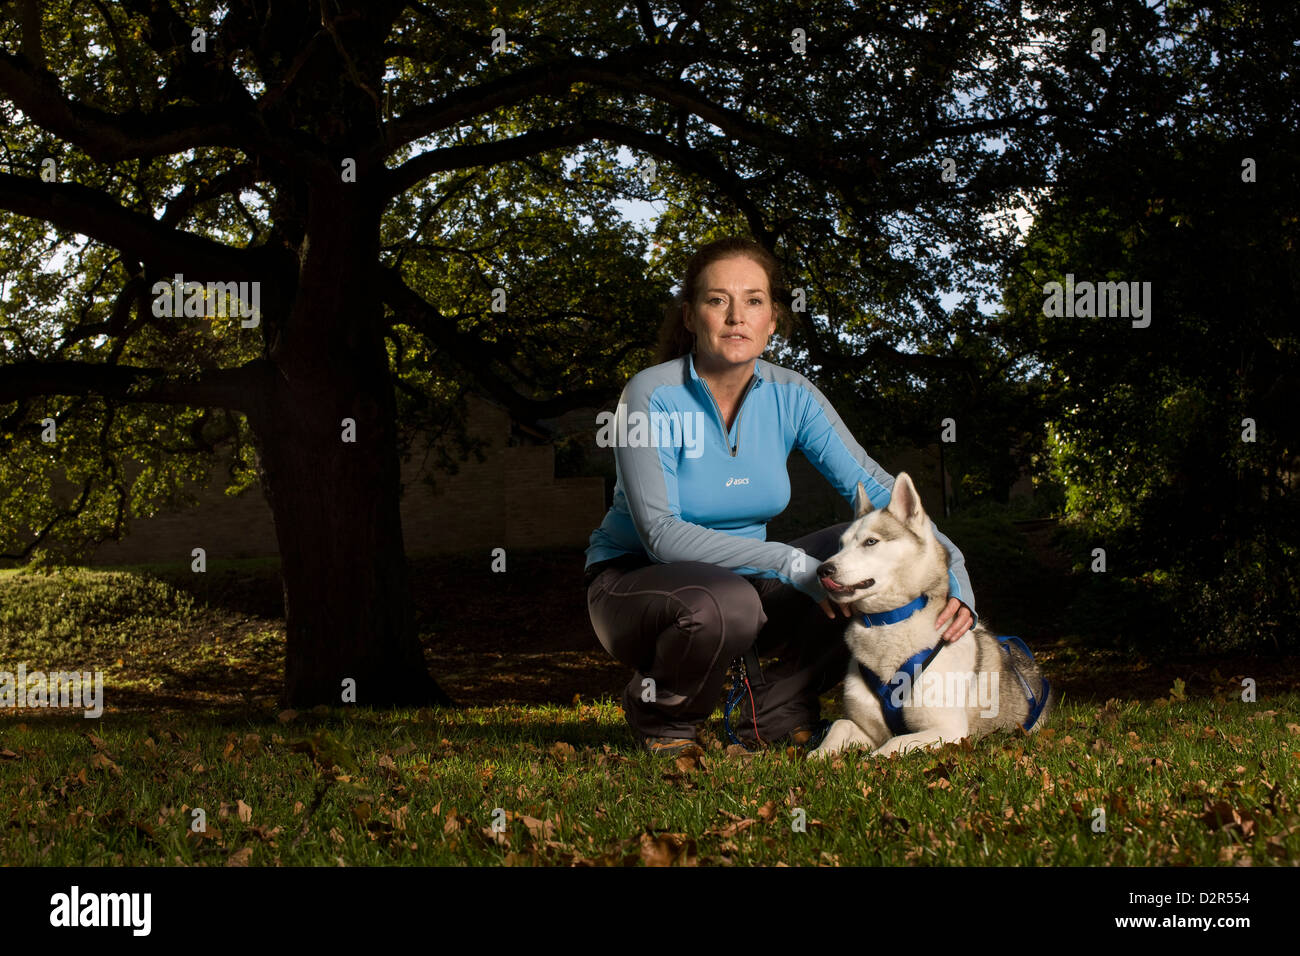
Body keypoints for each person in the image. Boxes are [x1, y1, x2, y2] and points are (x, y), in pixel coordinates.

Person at [583, 237, 976, 756]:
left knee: (862, 555)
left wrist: (954, 574)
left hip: (746, 585)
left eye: (753, 301)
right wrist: (793, 564)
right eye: (716, 300)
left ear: (772, 321)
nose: (735, 316)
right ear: (689, 316)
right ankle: (662, 720)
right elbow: (661, 535)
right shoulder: (649, 395)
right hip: (634, 586)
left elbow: (881, 492)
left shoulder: (793, 394)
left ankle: (772, 714)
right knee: (732, 599)